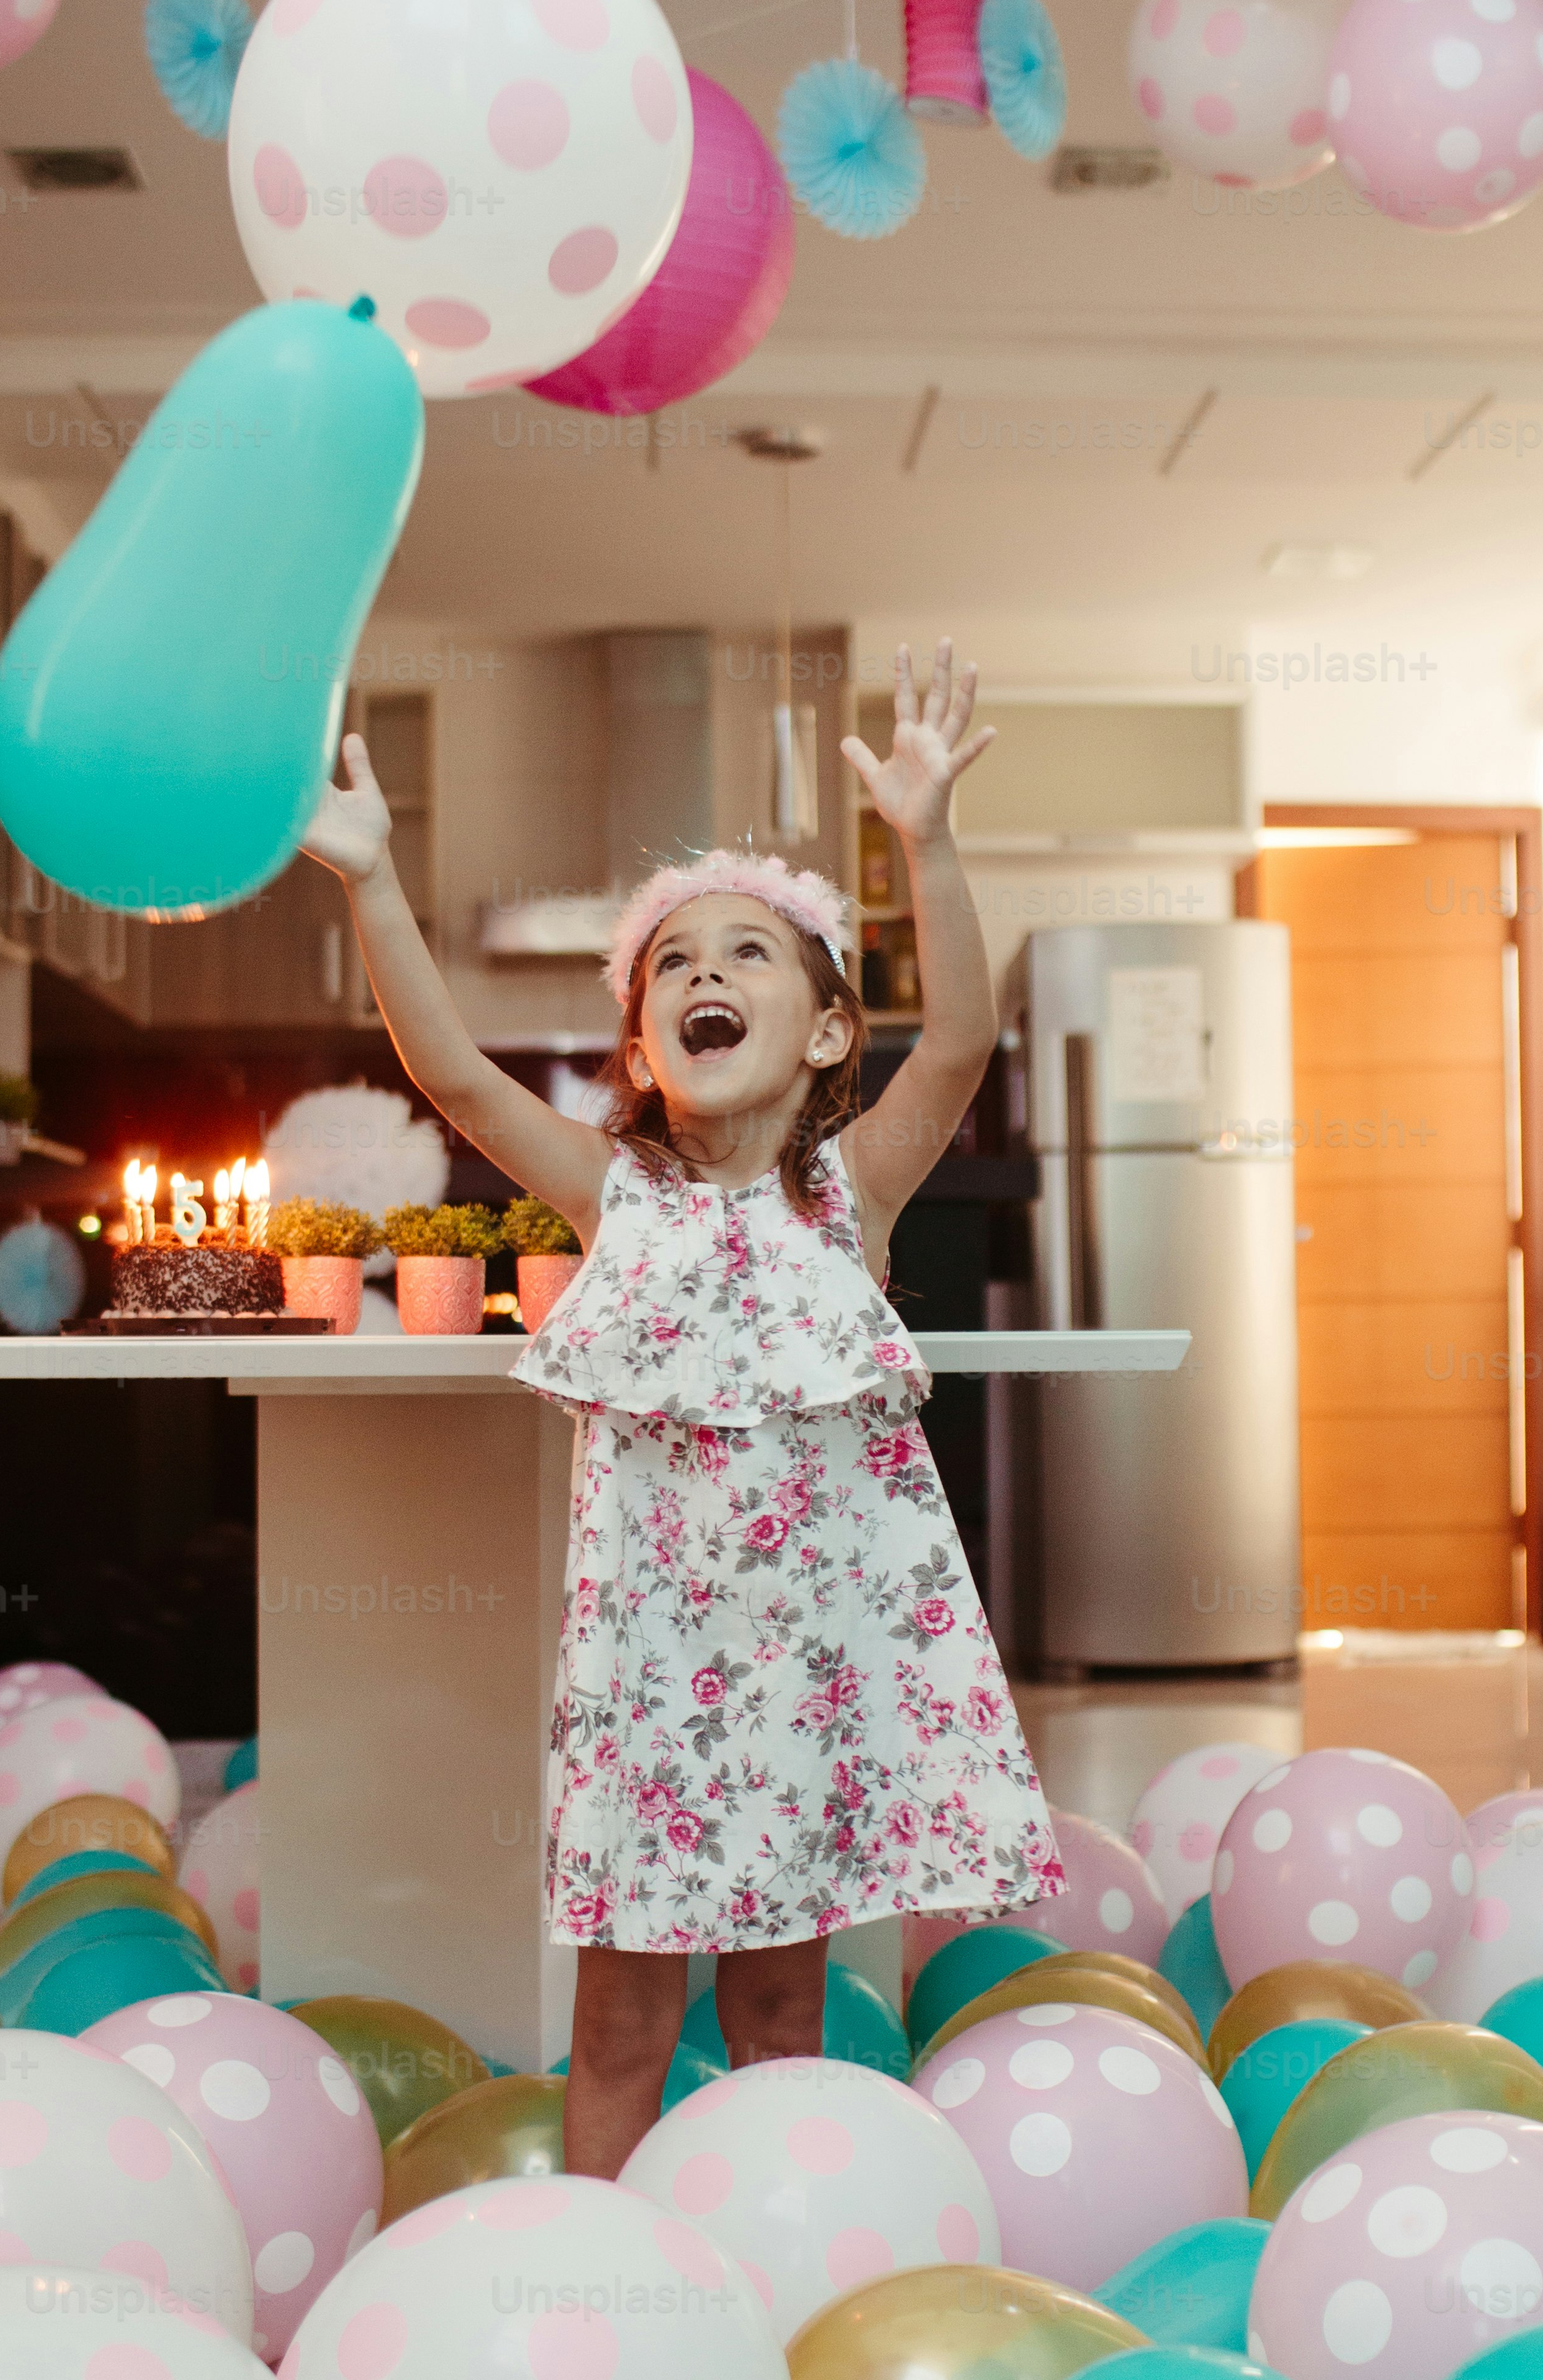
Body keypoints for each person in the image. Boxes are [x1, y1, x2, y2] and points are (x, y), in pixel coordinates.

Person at [302, 638, 1061, 2177]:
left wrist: (925, 838)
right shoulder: (613, 1196)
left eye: (748, 953)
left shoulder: (850, 1192)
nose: (705, 973)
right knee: (621, 2025)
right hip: (650, 1708)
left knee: (783, 2008)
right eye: (674, 963)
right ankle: (604, 2259)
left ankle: (784, 2246)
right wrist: (374, 880)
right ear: (641, 1042)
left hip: (805, 1695)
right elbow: (451, 1076)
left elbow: (967, 1037)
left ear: (830, 1032)